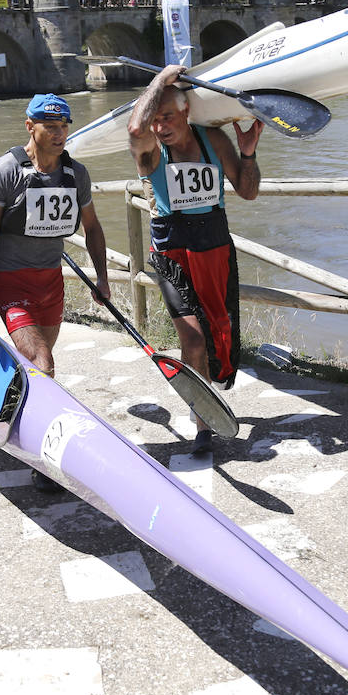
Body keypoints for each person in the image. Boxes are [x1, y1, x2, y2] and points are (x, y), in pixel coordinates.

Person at [0, 93, 110, 491]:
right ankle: (43, 457)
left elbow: (94, 228)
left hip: (51, 280)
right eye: (50, 126)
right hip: (11, 280)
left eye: (64, 126)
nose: (59, 134)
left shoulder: (75, 174)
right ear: (29, 126)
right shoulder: (3, 172)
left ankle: (15, 416)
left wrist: (102, 279)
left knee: (39, 368)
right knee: (42, 357)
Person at [127, 65, 262, 454]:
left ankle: (205, 395)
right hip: (172, 247)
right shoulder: (151, 150)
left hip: (214, 242)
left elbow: (248, 191)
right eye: (154, 118)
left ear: (186, 111)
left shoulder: (214, 141)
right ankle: (203, 424)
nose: (159, 126)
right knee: (193, 337)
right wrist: (159, 82)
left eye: (166, 116)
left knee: (219, 331)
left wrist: (248, 153)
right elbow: (136, 131)